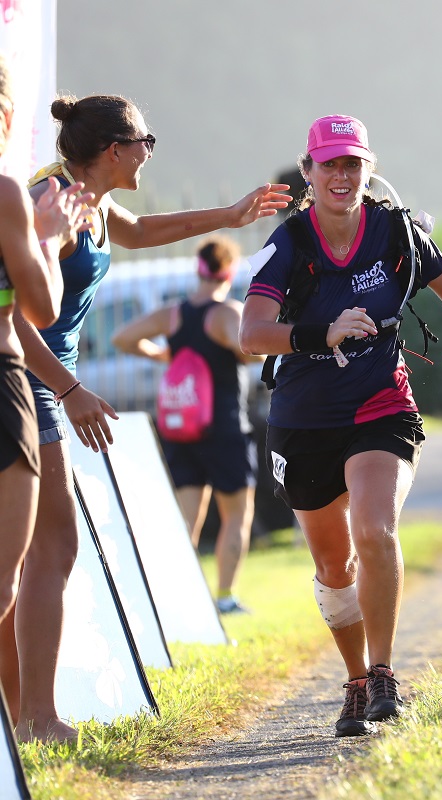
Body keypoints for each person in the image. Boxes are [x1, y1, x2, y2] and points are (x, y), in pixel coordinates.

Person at [9, 92, 289, 743]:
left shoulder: (92, 203)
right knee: (51, 548)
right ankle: (35, 719)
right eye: (146, 141)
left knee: (34, 554)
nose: (151, 152)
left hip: (45, 381)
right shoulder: (46, 201)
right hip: (30, 380)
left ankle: (23, 713)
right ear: (116, 150)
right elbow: (12, 316)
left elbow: (141, 233)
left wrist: (230, 213)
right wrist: (71, 389)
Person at [239, 114, 442, 737]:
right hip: (302, 419)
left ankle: (383, 675)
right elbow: (251, 334)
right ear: (309, 173)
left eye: (354, 164)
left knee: (374, 530)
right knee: (333, 565)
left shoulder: (394, 231)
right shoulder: (290, 243)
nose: (343, 176)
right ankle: (354, 680)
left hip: (381, 404)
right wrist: (319, 332)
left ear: (368, 169)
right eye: (331, 164)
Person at [0, 54, 93, 719]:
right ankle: (30, 724)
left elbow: (142, 231)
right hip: (8, 387)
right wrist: (51, 239)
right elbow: (41, 307)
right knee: (10, 573)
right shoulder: (10, 193)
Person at [111, 235, 262, 615]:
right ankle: (225, 597)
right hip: (224, 428)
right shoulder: (228, 313)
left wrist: (164, 353)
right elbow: (254, 350)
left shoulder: (173, 314)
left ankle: (173, 600)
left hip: (182, 430)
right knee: (236, 515)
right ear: (228, 271)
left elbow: (122, 338)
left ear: (199, 270)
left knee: (185, 520)